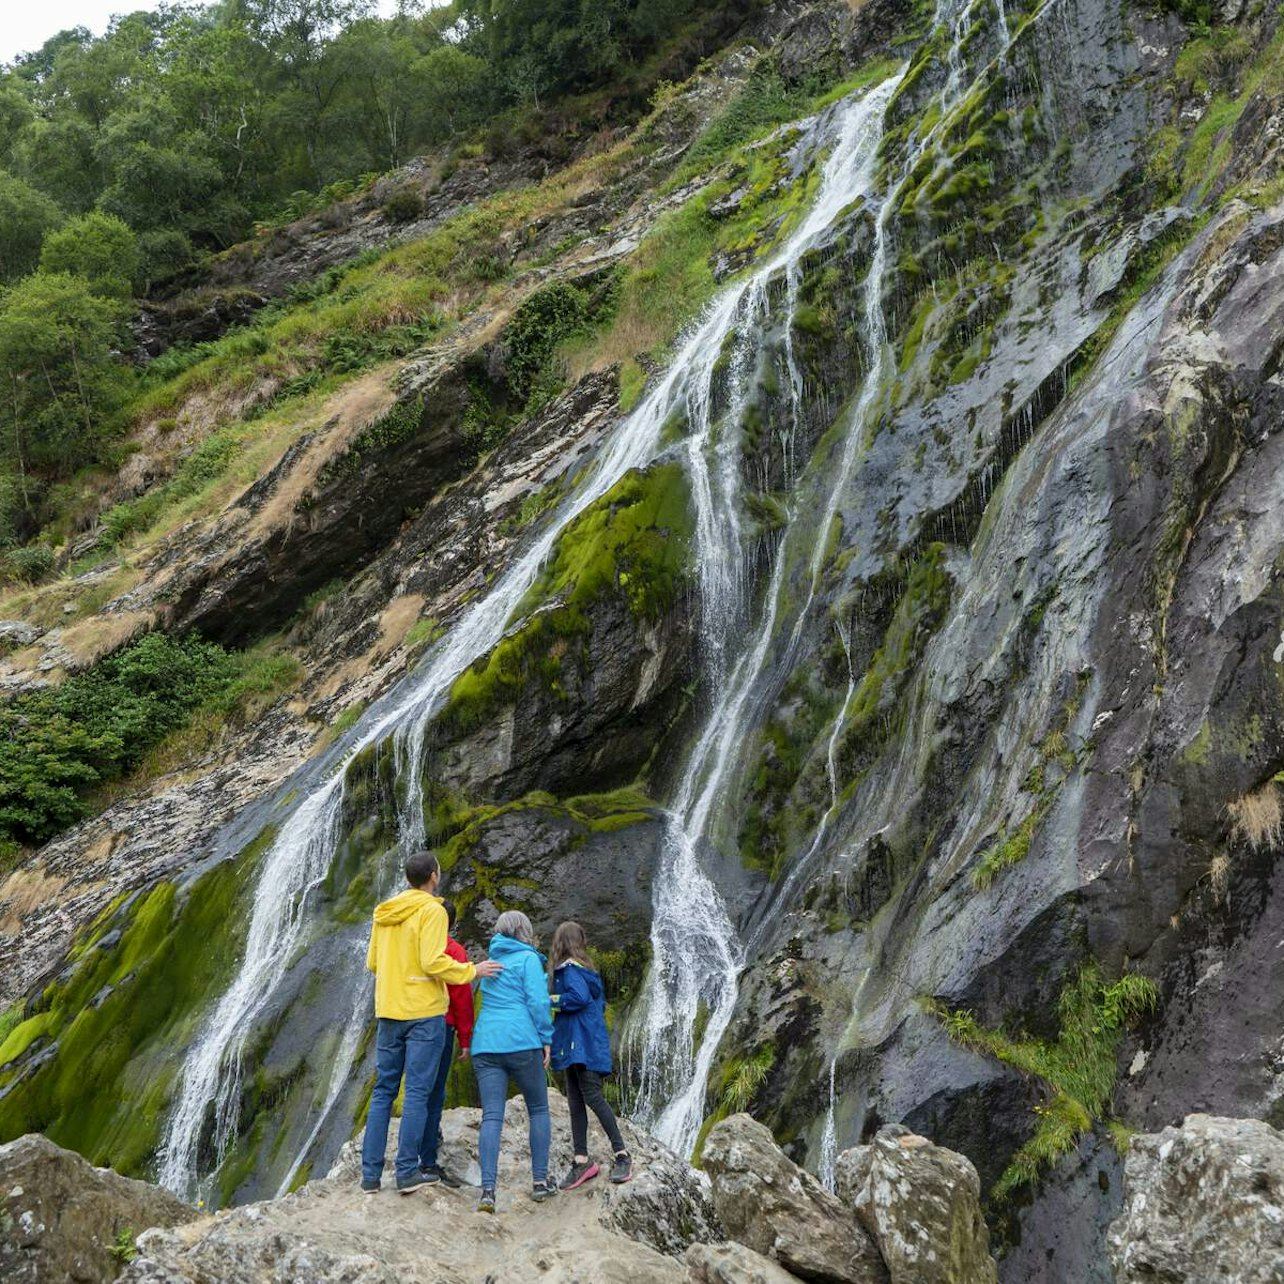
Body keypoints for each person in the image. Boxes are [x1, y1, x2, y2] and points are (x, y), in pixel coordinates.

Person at [360, 851, 502, 1194]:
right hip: (423, 1013)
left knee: (383, 1092)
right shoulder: (433, 910)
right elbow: (432, 961)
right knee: (419, 1093)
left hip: (389, 1009)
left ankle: (370, 1176)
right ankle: (408, 1170)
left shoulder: (385, 912)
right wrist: (472, 971)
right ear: (434, 877)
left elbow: (373, 963)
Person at [470, 909, 556, 1213]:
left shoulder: (488, 961)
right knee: (538, 1108)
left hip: (486, 1044)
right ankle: (540, 1182)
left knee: (492, 1116)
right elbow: (537, 1001)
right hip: (521, 1042)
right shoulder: (528, 959)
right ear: (524, 931)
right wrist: (546, 1037)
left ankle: (488, 1191)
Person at [548, 920, 632, 1188]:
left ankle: (622, 1154)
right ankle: (582, 1159)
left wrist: (551, 1000)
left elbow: (578, 998)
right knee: (576, 1100)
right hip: (580, 1044)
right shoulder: (585, 970)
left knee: (591, 1096)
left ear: (560, 943)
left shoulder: (570, 971)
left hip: (581, 1045)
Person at [416, 898, 473, 1186]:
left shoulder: (414, 945)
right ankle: (427, 1159)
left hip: (409, 1023)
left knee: (417, 1090)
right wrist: (466, 1038)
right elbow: (462, 998)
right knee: (434, 1092)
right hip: (442, 1027)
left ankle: (416, 1147)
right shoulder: (453, 951)